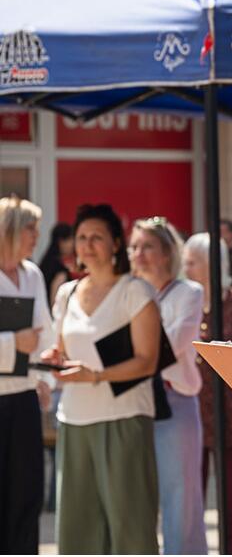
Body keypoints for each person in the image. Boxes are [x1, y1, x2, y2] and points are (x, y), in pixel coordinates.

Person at [42, 203, 161, 554]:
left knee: (131, 529)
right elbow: (60, 349)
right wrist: (53, 359)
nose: (87, 245)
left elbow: (147, 362)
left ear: (115, 244)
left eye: (96, 237)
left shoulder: (134, 292)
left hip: (124, 422)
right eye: (81, 237)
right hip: (74, 421)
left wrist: (95, 375)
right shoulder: (66, 293)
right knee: (79, 532)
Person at [129, 218, 208, 555]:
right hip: (133, 400)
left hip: (175, 401)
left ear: (166, 252)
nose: (138, 254)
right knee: (133, 494)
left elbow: (171, 345)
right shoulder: (127, 293)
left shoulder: (189, 291)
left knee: (181, 498)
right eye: (134, 246)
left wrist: (129, 352)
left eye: (147, 246)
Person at [183, 232, 232, 556]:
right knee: (191, 499)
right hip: (191, 416)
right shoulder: (182, 305)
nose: (185, 269)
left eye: (191, 262)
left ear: (209, 265)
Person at [0, 196, 54, 553]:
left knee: (27, 492)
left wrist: (45, 379)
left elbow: (45, 332)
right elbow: (23, 339)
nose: (37, 237)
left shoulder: (33, 274)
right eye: (31, 229)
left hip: (24, 399)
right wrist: (11, 343)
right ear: (10, 231)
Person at [37, 221, 74, 305]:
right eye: (70, 239)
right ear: (61, 241)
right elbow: (55, 302)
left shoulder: (46, 262)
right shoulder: (59, 270)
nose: (73, 244)